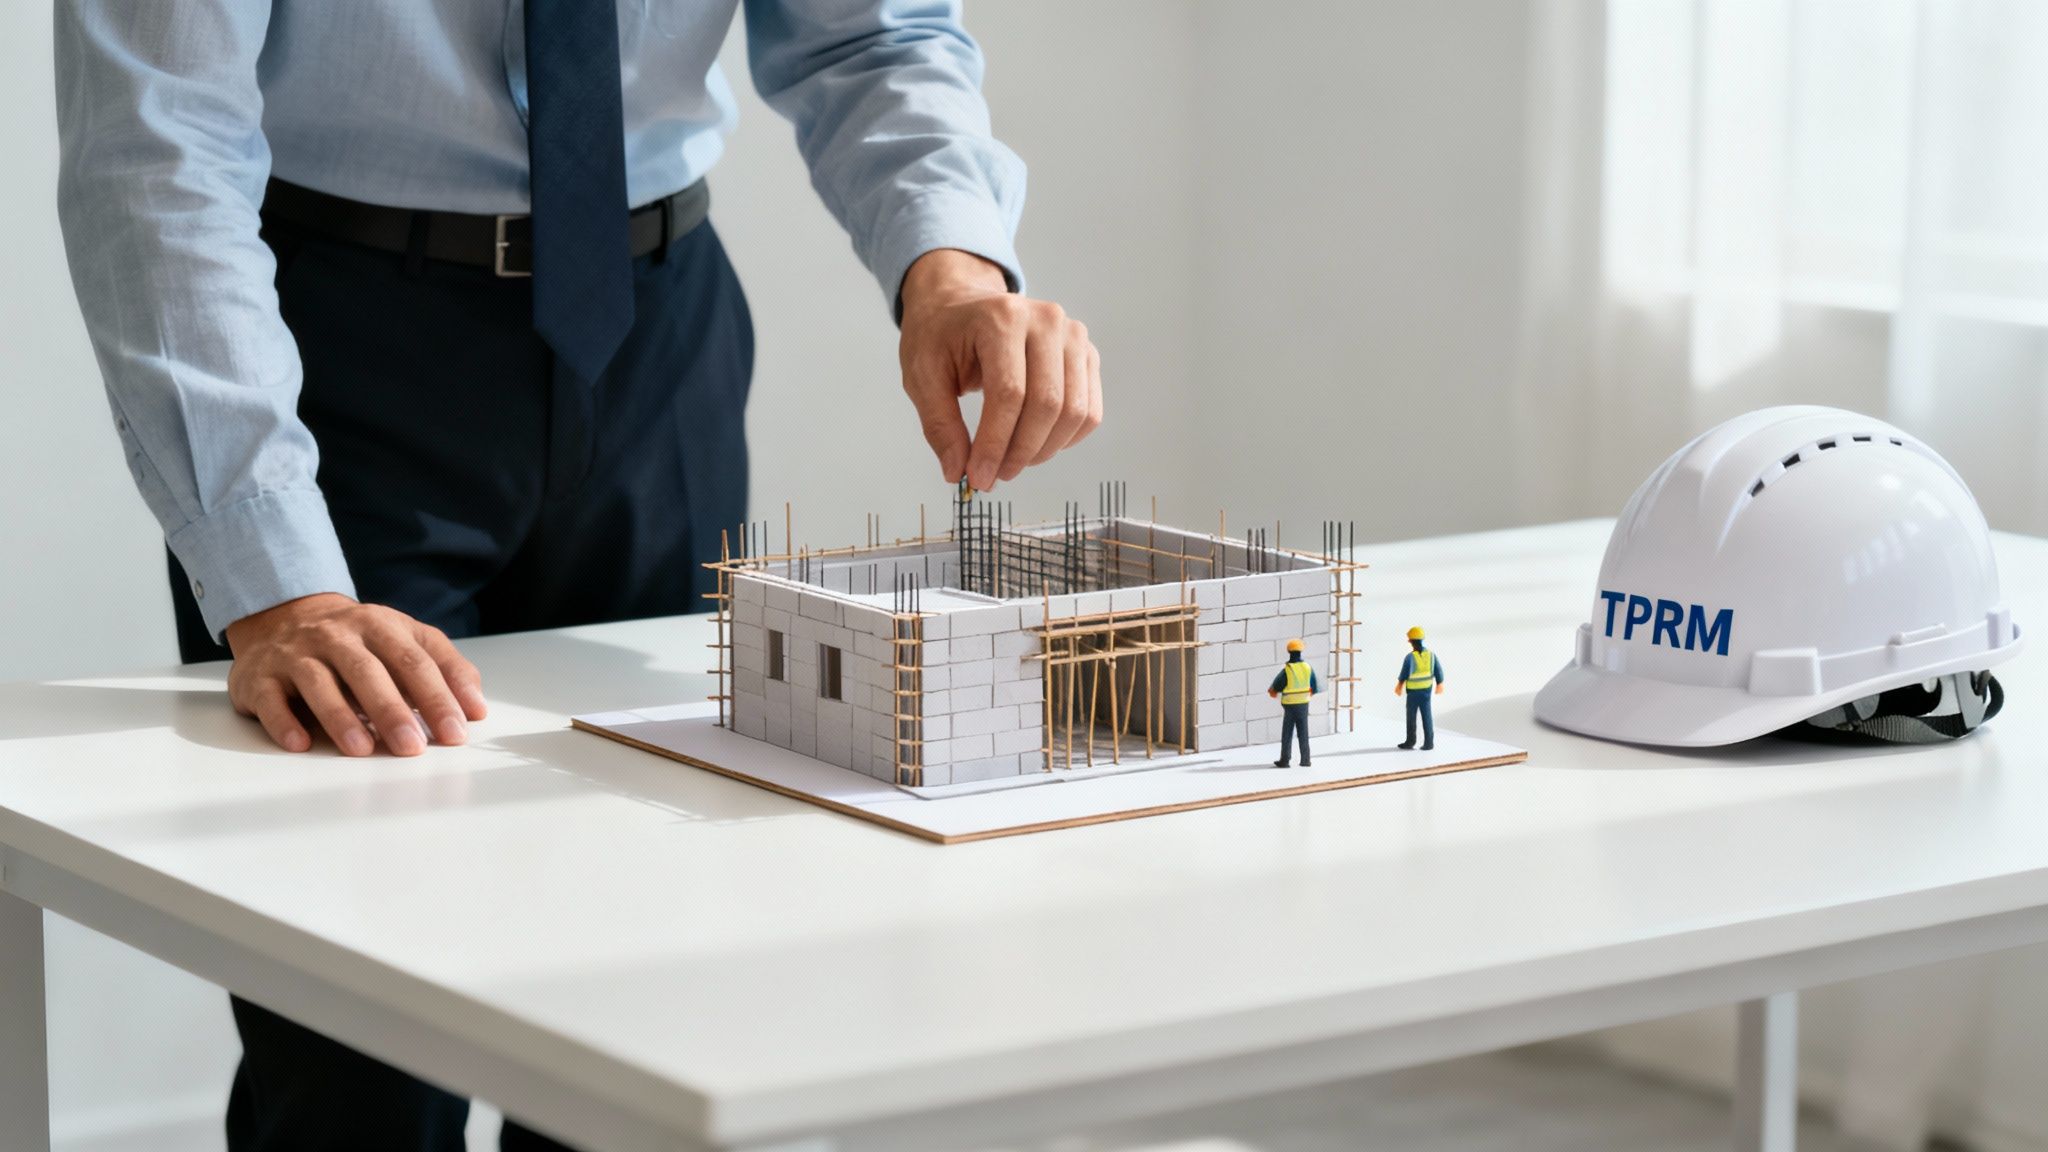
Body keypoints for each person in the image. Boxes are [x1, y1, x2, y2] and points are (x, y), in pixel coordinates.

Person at [53, 3, 1100, 1149]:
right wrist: (278, 586)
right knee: (359, 1059)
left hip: (660, 339)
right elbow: (157, 146)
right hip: (336, 361)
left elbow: (869, 34)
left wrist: (947, 269)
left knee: (643, 1011)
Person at [1267, 638, 1320, 767]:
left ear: (1289, 652)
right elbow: (1314, 686)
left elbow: (1277, 685)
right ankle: (1305, 760)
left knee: (1287, 733)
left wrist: (1272, 690)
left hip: (1290, 705)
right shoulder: (1307, 667)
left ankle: (1285, 760)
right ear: (1301, 651)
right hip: (1303, 704)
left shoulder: (1288, 669)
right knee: (1303, 733)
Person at [1395, 626, 1445, 750]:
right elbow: (1438, 670)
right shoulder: (1431, 655)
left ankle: (1411, 741)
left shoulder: (1410, 657)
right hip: (1426, 691)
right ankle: (1429, 743)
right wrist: (1440, 683)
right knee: (1426, 716)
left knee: (1411, 717)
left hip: (1413, 692)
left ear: (1412, 641)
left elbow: (1404, 673)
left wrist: (1399, 685)